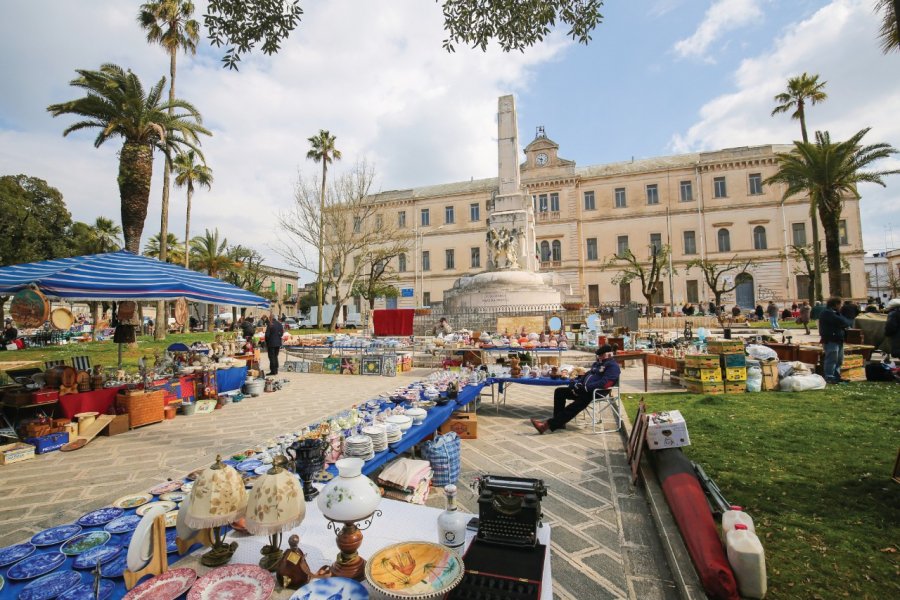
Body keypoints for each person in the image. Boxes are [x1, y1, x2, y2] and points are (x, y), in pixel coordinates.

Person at [530, 344, 620, 434]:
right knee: (559, 392)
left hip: (596, 392)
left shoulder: (613, 366)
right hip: (584, 389)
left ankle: (546, 425)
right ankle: (560, 423)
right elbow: (587, 374)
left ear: (608, 355)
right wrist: (578, 383)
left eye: (601, 355)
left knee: (575, 405)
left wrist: (585, 388)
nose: (599, 357)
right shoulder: (598, 364)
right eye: (598, 356)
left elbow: (605, 383)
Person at [819, 297, 853, 384]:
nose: (841, 306)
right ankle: (829, 376)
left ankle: (836, 376)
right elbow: (844, 322)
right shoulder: (828, 313)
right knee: (832, 358)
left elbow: (845, 322)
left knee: (839, 359)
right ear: (836, 304)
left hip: (838, 339)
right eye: (840, 304)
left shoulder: (835, 313)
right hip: (831, 339)